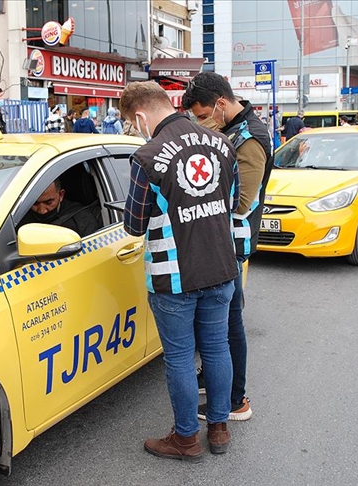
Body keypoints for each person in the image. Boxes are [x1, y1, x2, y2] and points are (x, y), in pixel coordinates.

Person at [121, 81, 239, 461]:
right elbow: (231, 202)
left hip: (175, 277)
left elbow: (135, 225)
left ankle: (186, 438)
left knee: (180, 357)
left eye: (130, 122)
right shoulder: (223, 144)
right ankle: (218, 429)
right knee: (217, 348)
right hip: (222, 267)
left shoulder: (147, 156)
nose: (134, 129)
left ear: (140, 116)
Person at [182, 71, 274, 424]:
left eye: (203, 115)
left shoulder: (248, 138)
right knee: (220, 322)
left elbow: (243, 202)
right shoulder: (231, 129)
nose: (200, 122)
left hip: (231, 242)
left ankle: (237, 399)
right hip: (218, 239)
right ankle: (217, 379)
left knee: (230, 321)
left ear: (221, 104)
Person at [18, 180, 99, 236]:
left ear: (61, 195)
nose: (42, 211)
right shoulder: (17, 217)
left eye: (49, 202)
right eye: (34, 203)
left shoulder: (81, 219)